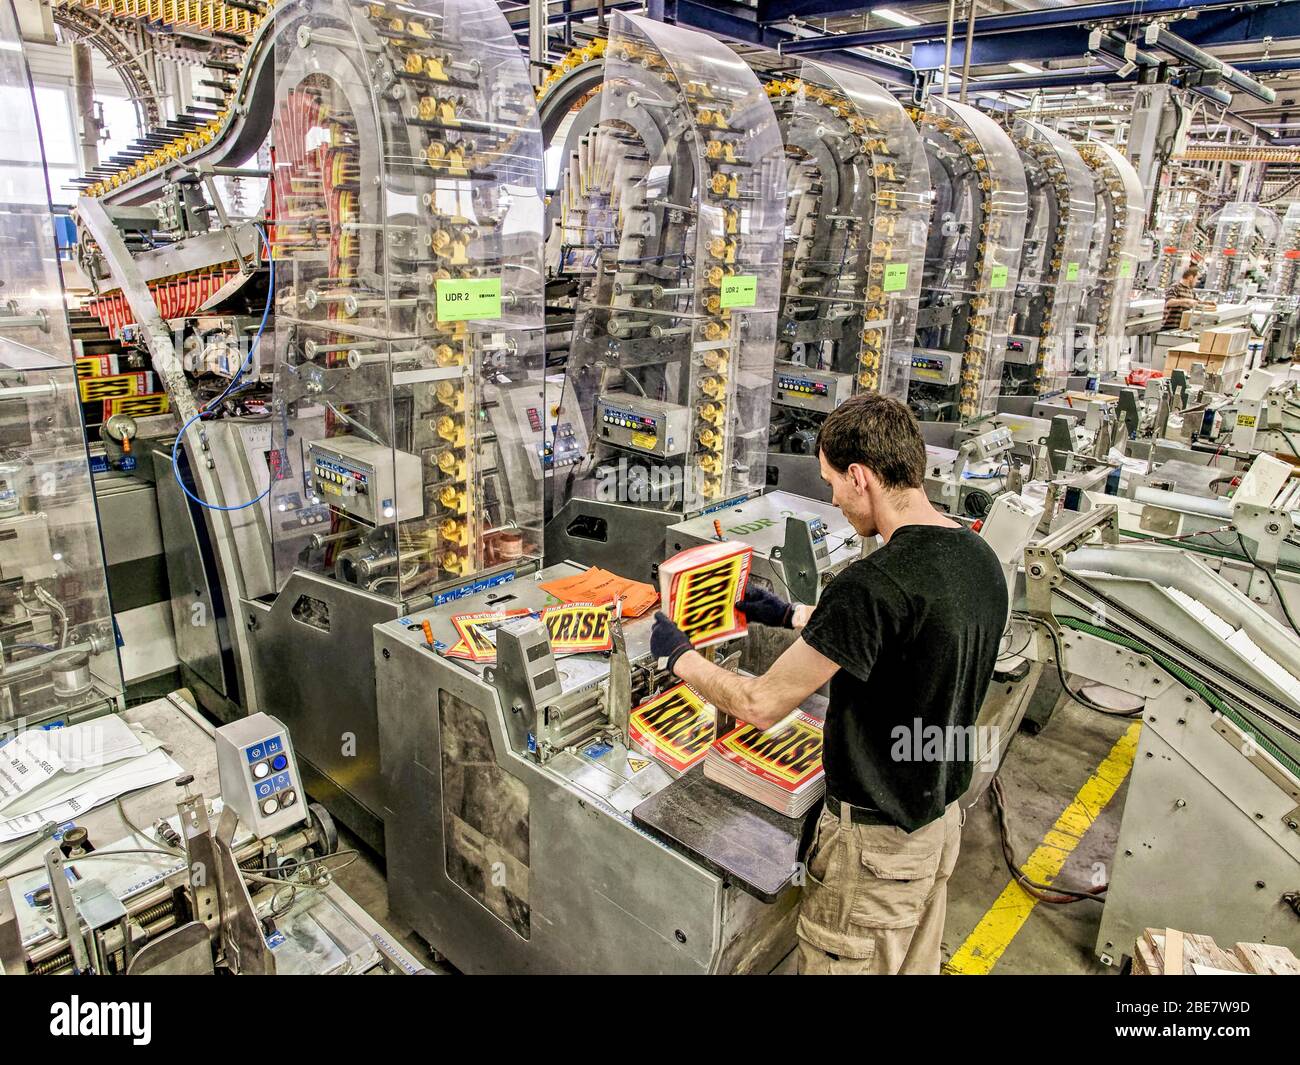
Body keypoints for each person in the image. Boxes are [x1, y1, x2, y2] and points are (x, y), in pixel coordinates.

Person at [651, 393, 1008, 974]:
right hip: (937, 827)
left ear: (860, 476)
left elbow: (760, 704)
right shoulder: (976, 554)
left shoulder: (873, 582)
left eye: (832, 482)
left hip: (871, 854)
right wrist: (789, 613)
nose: (833, 499)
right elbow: (909, 630)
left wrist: (680, 659)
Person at [1162, 264, 1215, 329]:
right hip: (1170, 327)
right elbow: (1169, 302)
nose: (1197, 281)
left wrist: (1207, 303)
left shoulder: (1190, 291)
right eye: (1196, 278)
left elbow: (1197, 302)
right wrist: (1187, 300)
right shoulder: (1175, 287)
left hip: (1182, 327)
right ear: (1190, 277)